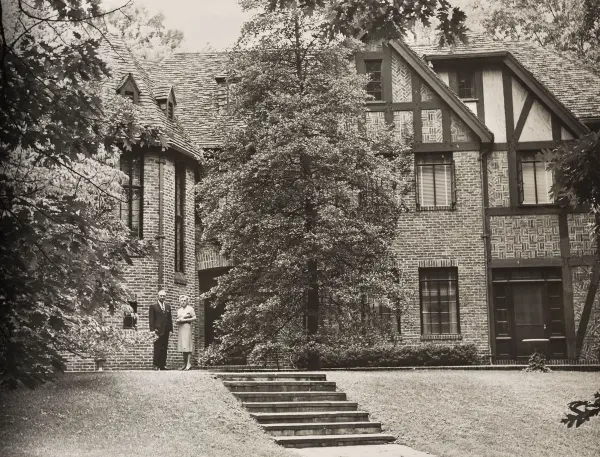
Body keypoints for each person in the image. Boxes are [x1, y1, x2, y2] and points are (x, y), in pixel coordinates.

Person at [149, 289, 173, 370]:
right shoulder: (153, 306)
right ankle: (155, 365)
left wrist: (171, 330)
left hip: (166, 330)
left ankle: (163, 365)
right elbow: (151, 319)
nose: (162, 297)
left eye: (164, 296)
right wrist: (152, 330)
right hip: (157, 330)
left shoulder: (167, 307)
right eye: (161, 296)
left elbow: (170, 319)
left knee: (164, 347)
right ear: (158, 296)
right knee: (157, 347)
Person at [176, 295, 196, 370]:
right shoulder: (179, 310)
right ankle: (184, 364)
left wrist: (184, 320)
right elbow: (178, 318)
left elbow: (194, 317)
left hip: (187, 327)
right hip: (181, 328)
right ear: (180, 302)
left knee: (187, 345)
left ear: (187, 301)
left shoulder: (190, 309)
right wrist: (178, 320)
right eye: (182, 301)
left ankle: (188, 363)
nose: (183, 302)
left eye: (184, 300)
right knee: (183, 345)